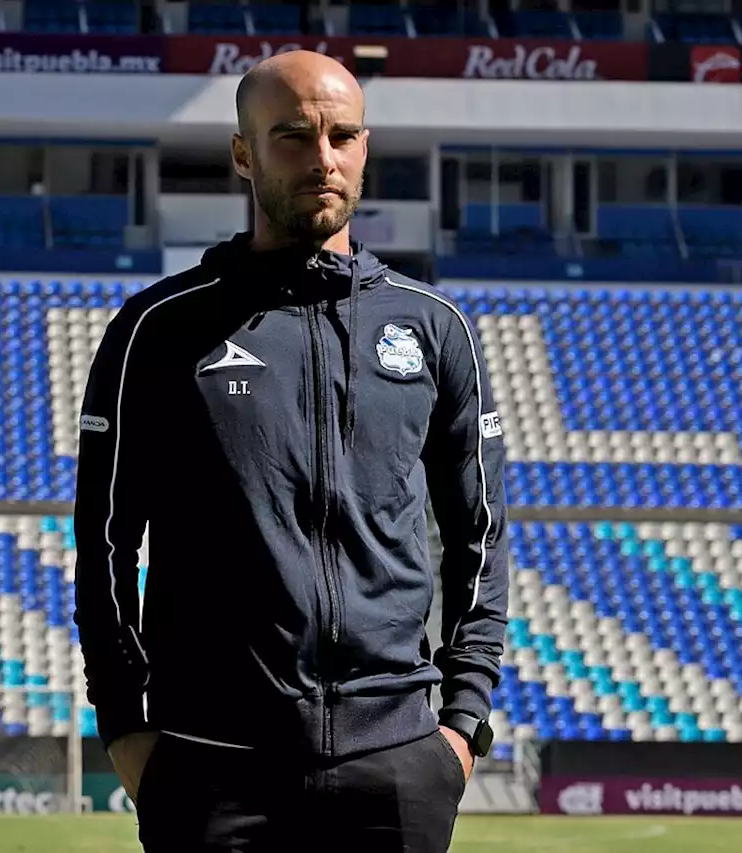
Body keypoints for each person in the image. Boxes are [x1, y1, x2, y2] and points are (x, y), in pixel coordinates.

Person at [72, 49, 510, 852]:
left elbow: (480, 538)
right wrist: (126, 727)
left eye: (342, 136)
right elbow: (103, 541)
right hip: (210, 766)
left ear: (365, 146)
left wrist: (460, 724)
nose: (323, 159)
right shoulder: (156, 329)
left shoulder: (433, 328)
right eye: (293, 137)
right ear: (243, 153)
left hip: (399, 763)